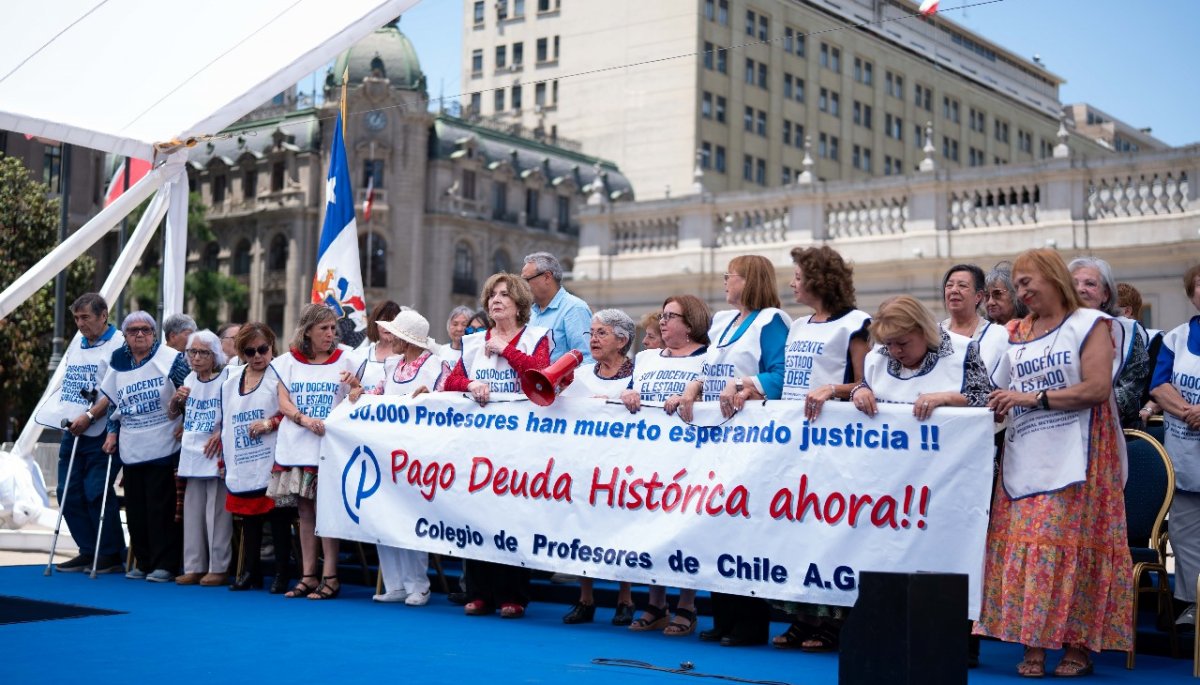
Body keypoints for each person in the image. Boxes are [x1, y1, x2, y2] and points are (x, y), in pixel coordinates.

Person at [977, 248, 1132, 678]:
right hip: (1026, 450)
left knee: (1070, 542)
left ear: (1053, 277)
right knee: (1029, 542)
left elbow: (1098, 388)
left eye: (1028, 281)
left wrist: (1032, 397)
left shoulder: (1091, 324)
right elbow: (998, 388)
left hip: (1079, 451)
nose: (1021, 289)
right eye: (1018, 284)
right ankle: (1033, 644)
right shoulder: (1017, 332)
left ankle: (1077, 645)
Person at [670, 255, 790, 647]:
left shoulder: (772, 321)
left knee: (744, 528)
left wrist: (747, 384)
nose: (724, 280)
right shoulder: (722, 322)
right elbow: (709, 368)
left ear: (749, 279)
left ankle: (750, 623)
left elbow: (781, 373)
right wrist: (694, 386)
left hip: (751, 438)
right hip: (714, 439)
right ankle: (722, 616)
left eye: (731, 276)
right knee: (718, 526)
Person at [772, 246, 871, 652]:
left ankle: (832, 620)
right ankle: (801, 616)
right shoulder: (798, 326)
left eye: (798, 275)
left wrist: (834, 388)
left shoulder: (855, 324)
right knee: (796, 530)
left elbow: (867, 382)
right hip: (794, 443)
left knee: (828, 529)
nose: (792, 283)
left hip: (835, 443)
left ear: (818, 279)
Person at [444, 273, 552, 617]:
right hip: (479, 442)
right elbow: (451, 381)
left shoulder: (536, 337)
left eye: (504, 294)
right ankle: (479, 592)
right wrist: (472, 382)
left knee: (512, 515)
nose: (496, 300)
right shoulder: (474, 342)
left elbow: (541, 372)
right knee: (476, 513)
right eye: (492, 295)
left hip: (520, 442)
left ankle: (513, 595)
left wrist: (507, 351)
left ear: (520, 303)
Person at [619, 295, 710, 636]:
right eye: (663, 315)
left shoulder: (708, 359)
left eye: (672, 316)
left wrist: (692, 396)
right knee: (650, 529)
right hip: (648, 459)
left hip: (691, 460)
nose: (663, 321)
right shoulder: (644, 358)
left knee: (685, 530)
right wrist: (628, 396)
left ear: (691, 324)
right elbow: (630, 393)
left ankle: (687, 604)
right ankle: (655, 603)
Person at [354, 309, 449, 607]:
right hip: (387, 452)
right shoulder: (391, 365)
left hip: (419, 455)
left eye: (394, 334)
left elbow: (447, 401)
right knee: (385, 517)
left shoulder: (434, 366)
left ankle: (418, 584)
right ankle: (395, 583)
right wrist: (359, 392)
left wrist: (431, 398)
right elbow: (376, 396)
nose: (389, 338)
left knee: (411, 517)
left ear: (407, 340)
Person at [270, 304, 359, 600]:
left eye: (333, 328)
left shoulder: (346, 359)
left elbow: (358, 398)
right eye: (324, 328)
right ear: (307, 330)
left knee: (326, 510)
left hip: (329, 448)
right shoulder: (287, 362)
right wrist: (305, 420)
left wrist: (356, 386)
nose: (330, 334)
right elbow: (283, 402)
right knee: (305, 511)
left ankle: (331, 575)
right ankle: (308, 574)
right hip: (298, 444)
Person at [559, 309, 638, 626]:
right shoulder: (581, 375)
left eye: (601, 333)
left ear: (622, 340)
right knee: (583, 527)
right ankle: (585, 598)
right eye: (591, 333)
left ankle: (625, 599)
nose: (593, 339)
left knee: (622, 531)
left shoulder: (637, 374)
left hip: (623, 466)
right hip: (585, 464)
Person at [99, 311, 190, 582]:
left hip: (164, 440)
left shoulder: (170, 359)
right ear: (125, 336)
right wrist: (112, 434)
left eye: (146, 330)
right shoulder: (118, 360)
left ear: (154, 334)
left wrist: (187, 423)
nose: (140, 334)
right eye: (133, 330)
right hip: (131, 442)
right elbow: (114, 403)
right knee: (136, 508)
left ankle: (165, 564)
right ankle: (143, 559)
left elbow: (190, 392)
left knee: (160, 507)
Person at [38, 293, 125, 573]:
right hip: (72, 428)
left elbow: (114, 390)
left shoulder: (118, 343)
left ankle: (110, 553)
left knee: (96, 491)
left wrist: (90, 415)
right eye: (76, 318)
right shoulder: (78, 342)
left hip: (102, 430)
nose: (80, 324)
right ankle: (88, 549)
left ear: (103, 316)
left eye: (85, 317)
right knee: (66, 491)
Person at [220, 323, 295, 593]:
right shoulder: (231, 379)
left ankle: (281, 574)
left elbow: (290, 411)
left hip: (273, 456)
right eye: (250, 351)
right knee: (248, 519)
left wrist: (270, 424)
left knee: (278, 520)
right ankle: (250, 571)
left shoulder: (281, 374)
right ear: (242, 353)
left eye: (263, 349)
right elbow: (227, 422)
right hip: (242, 457)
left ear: (272, 346)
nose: (257, 356)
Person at [1149, 262, 1200, 627]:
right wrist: (1188, 411)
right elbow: (1159, 384)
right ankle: (1192, 604)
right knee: (1184, 536)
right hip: (1184, 456)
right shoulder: (1177, 337)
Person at [167, 330, 232, 587]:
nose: (195, 357)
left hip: (214, 450)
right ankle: (194, 565)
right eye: (191, 352)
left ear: (214, 355)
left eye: (202, 352)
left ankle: (218, 566)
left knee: (216, 513)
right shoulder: (189, 379)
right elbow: (173, 414)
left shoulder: (226, 379)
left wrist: (221, 432)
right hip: (192, 451)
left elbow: (234, 410)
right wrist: (175, 401)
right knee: (193, 512)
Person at [1069, 256, 1148, 427]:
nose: (1080, 289)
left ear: (1105, 295)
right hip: (1058, 427)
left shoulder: (1125, 332)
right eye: (1074, 284)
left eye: (1089, 284)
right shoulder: (1051, 329)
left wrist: (1085, 408)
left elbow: (1132, 392)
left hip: (1107, 427)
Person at [522, 252, 593, 363]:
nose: (523, 286)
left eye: (527, 280)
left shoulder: (574, 309)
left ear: (547, 277)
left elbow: (586, 359)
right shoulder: (530, 313)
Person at [941, 263, 1009, 379]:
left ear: (978, 296)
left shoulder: (999, 335)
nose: (954, 290)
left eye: (962, 286)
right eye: (949, 285)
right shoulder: (933, 334)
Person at [1120, 282, 1164, 422]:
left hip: (1146, 424)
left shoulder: (1156, 340)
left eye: (1109, 311)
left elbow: (1164, 384)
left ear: (1126, 311)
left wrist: (1149, 407)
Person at [355, 300, 403, 391]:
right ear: (375, 324)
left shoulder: (406, 357)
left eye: (392, 321)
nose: (387, 326)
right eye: (383, 321)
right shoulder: (359, 355)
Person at [984, 262, 1028, 326]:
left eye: (997, 294)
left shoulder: (1031, 329)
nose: (990, 302)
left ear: (1015, 295)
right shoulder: (979, 332)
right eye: (986, 296)